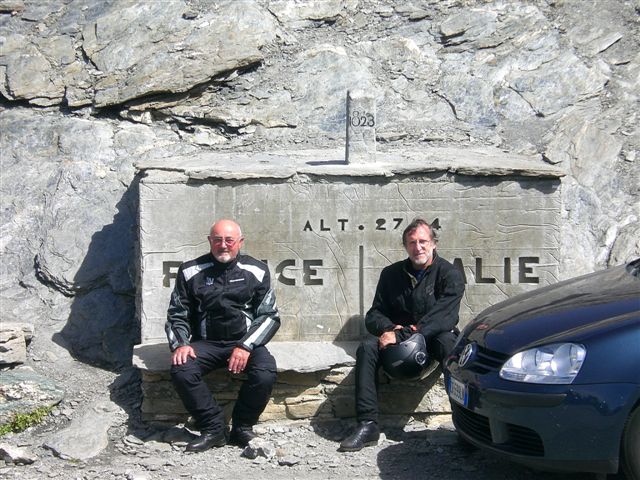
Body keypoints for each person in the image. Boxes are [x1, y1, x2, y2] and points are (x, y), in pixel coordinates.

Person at [339, 218, 465, 452]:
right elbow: (374, 315)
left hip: (433, 337)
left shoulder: (450, 274)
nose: (418, 247)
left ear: (434, 243)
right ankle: (367, 425)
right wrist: (391, 329)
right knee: (367, 347)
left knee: (451, 348)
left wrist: (403, 335)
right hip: (398, 338)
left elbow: (442, 318)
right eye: (412, 242)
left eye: (423, 241)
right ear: (405, 246)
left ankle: (464, 424)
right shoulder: (390, 274)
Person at [165, 219, 280, 453]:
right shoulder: (190, 271)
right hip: (205, 343)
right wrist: (181, 344)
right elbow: (177, 313)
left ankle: (242, 427)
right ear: (210, 241)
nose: (223, 245)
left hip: (244, 342)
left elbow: (269, 316)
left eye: (229, 240)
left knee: (265, 372)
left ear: (240, 242)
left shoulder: (256, 270)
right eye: (217, 240)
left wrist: (246, 345)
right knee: (182, 370)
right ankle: (213, 429)